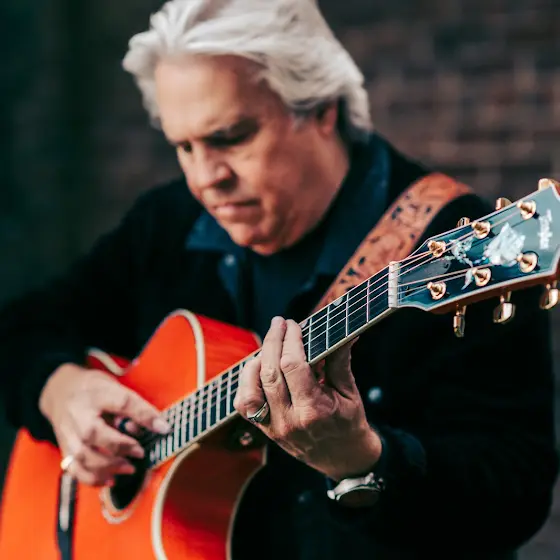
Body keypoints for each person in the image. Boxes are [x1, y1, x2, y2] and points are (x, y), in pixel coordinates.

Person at [0, 0, 557, 558]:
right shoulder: (167, 226)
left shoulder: (449, 245)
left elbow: (515, 489)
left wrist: (362, 463)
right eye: (184, 147)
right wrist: (59, 390)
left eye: (230, 137)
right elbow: (20, 329)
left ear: (321, 109)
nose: (205, 178)